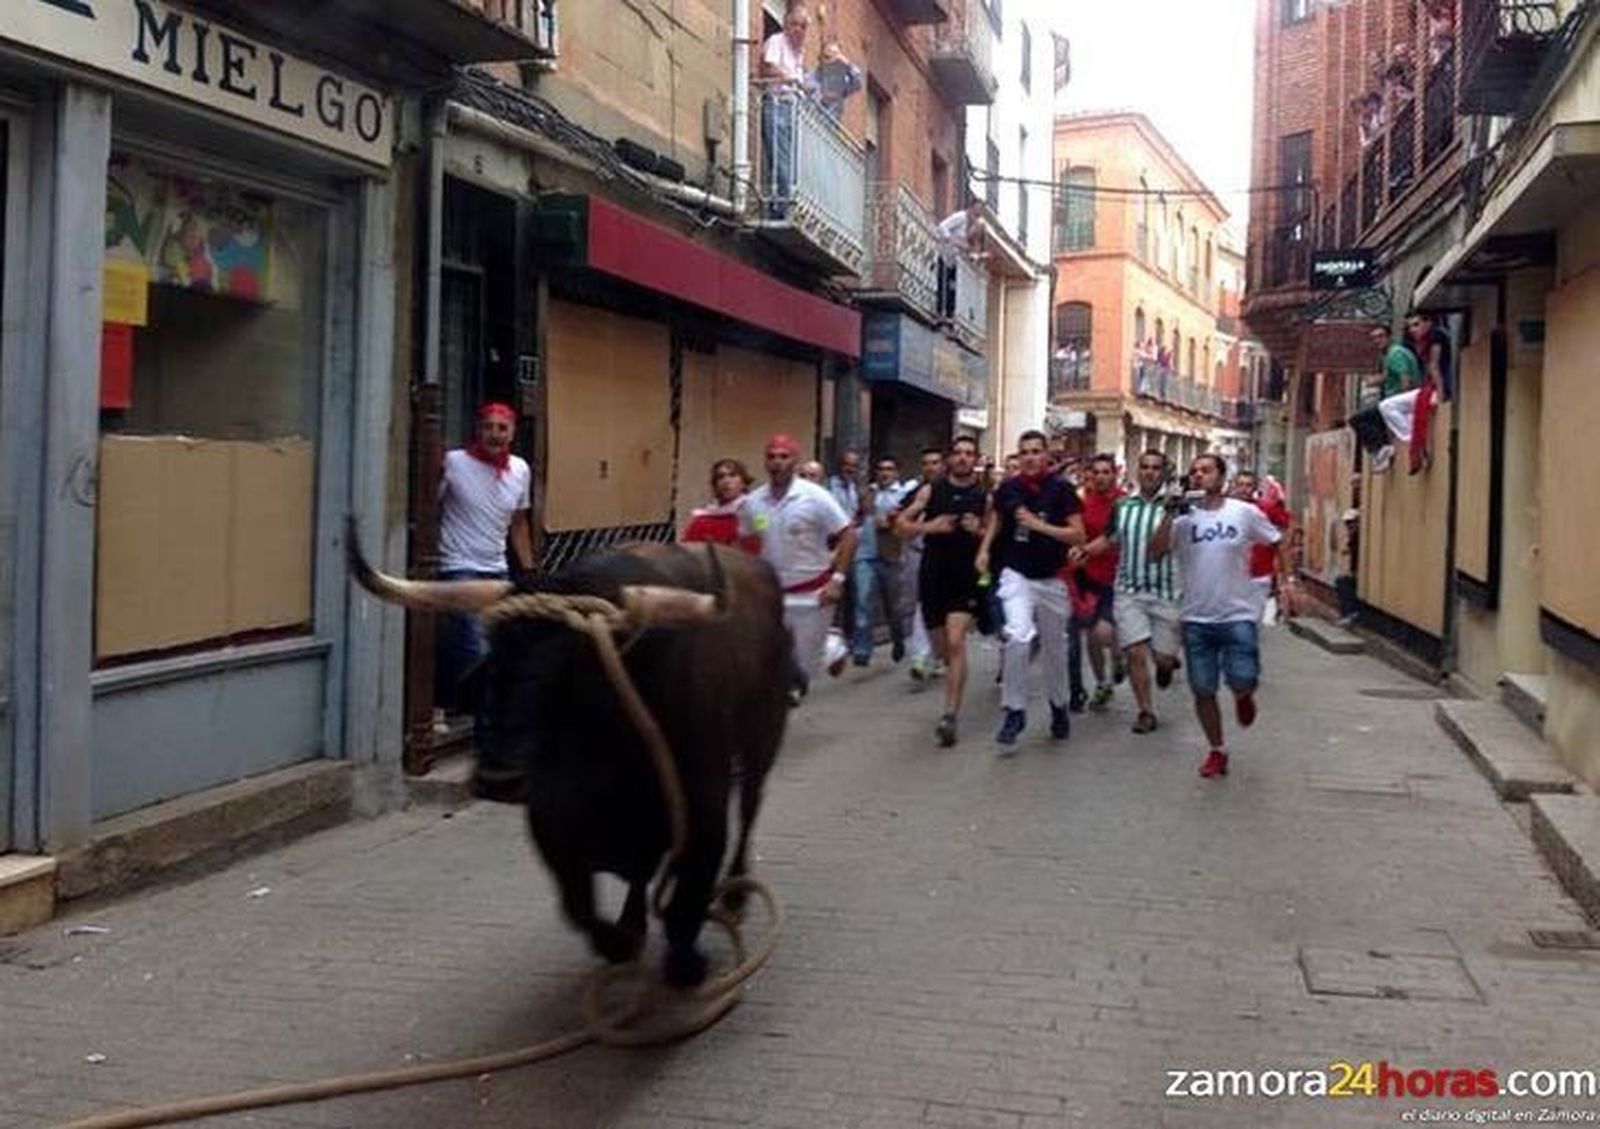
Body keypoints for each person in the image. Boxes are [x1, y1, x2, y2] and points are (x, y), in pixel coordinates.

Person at [1152, 453, 1287, 779]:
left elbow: (1277, 539)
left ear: (1222, 477)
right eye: (1194, 471)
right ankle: (1217, 749)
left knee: (1243, 677)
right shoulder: (1183, 521)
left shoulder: (1243, 512)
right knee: (1203, 689)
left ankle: (1243, 694)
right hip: (1196, 618)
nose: (1199, 475)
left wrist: (1287, 582)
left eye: (1206, 470)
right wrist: (1168, 513)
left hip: (1237, 614)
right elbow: (1155, 552)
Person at [977, 430, 1085, 751]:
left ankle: (1059, 705)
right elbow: (997, 521)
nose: (1030, 457)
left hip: (1053, 578)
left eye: (1036, 451)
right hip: (1017, 574)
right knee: (1017, 636)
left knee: (1055, 648)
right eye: (1024, 452)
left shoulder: (1062, 489)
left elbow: (1078, 535)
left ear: (1047, 455)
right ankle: (1014, 710)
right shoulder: (1009, 488)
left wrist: (1041, 527)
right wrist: (984, 549)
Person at [745, 433, 856, 704]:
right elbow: (746, 539)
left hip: (813, 594)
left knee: (806, 664)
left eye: (784, 457)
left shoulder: (815, 497)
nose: (777, 462)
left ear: (795, 462)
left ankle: (832, 646)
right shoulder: (754, 502)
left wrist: (837, 580)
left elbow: (849, 534)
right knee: (778, 658)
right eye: (771, 457)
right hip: (772, 593)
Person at [896, 435, 991, 746]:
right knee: (942, 650)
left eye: (969, 453)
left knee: (955, 641)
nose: (963, 458)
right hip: (933, 573)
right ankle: (953, 675)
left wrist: (979, 531)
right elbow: (900, 526)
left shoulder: (985, 496)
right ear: (950, 458)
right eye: (958, 453)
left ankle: (950, 715)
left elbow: (994, 534)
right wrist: (930, 527)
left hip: (965, 576)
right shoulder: (931, 490)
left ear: (976, 459)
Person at [437, 402, 535, 701]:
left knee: (496, 642)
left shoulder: (520, 469)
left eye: (502, 428)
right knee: (476, 645)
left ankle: (462, 703)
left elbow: (519, 523)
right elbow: (431, 507)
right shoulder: (454, 462)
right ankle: (484, 712)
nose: (495, 434)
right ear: (478, 430)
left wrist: (529, 571)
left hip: (497, 568)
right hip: (458, 566)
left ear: (512, 433)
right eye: (488, 427)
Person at [1083, 449, 1182, 736]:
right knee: (1135, 652)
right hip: (1129, 591)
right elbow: (1109, 539)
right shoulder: (1123, 506)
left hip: (1166, 593)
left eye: (1155, 468)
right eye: (1145, 467)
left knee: (1162, 658)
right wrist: (1084, 551)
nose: (1149, 472)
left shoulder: (1179, 508)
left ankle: (1165, 664)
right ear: (1138, 471)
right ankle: (1146, 711)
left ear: (1163, 473)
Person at [1064, 453, 1122, 712]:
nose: (1100, 477)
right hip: (1086, 576)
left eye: (1105, 472)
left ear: (1115, 474)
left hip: (1116, 577)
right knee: (1091, 636)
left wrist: (1085, 549)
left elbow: (1113, 537)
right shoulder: (1081, 502)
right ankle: (1101, 683)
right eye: (1096, 472)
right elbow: (1075, 534)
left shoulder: (1124, 503)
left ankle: (1118, 654)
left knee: (1103, 632)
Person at [851, 456, 907, 667]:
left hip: (891, 555)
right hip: (865, 554)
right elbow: (858, 516)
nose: (884, 473)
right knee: (863, 601)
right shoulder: (869, 492)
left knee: (893, 606)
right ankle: (862, 649)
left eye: (889, 469)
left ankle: (898, 637)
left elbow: (906, 520)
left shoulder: (903, 494)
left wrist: (891, 522)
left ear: (897, 473)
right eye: (881, 469)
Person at [759, 1, 811, 218]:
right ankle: (781, 210)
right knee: (781, 162)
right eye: (795, 24)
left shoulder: (799, 53)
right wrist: (791, 80)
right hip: (777, 105)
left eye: (803, 26)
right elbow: (768, 67)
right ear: (786, 23)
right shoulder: (776, 41)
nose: (799, 30)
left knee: (791, 163)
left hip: (793, 110)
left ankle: (785, 206)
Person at [1349, 324, 1422, 473]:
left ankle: (1381, 448)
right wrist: (1376, 380)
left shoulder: (1395, 354)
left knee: (1357, 419)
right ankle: (1383, 450)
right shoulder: (1390, 355)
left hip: (1398, 403)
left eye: (1381, 336)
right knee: (1372, 418)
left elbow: (1405, 377)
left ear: (1389, 337)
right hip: (1393, 402)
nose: (1377, 340)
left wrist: (1403, 402)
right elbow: (1390, 376)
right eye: (1374, 338)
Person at [898, 447, 945, 680]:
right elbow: (899, 520)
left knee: (937, 607)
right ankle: (920, 655)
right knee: (918, 604)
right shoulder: (913, 494)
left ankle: (937, 655)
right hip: (917, 553)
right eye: (926, 463)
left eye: (935, 462)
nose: (930, 467)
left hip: (945, 557)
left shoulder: (951, 491)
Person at [1231, 469, 1293, 622]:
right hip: (1231, 575)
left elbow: (1287, 527)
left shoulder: (1266, 508)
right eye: (1240, 485)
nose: (1244, 489)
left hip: (1259, 573)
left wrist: (1283, 569)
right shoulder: (1225, 509)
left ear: (1255, 488)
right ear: (1234, 486)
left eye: (1248, 485)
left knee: (1253, 620)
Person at [681, 458, 759, 552]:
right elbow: (687, 552)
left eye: (732, 475)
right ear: (715, 485)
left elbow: (767, 538)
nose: (726, 481)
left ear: (743, 483)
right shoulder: (702, 520)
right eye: (721, 477)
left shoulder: (758, 512)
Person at [935, 200, 984, 320]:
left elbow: (970, 244)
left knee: (953, 288)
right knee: (944, 286)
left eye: (978, 214)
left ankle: (949, 315)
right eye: (975, 212)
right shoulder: (960, 217)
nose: (976, 216)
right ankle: (940, 312)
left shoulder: (974, 225)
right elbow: (942, 226)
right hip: (946, 256)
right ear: (970, 209)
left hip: (956, 261)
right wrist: (952, 240)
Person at [808, 39, 861, 122]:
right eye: (828, 57)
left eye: (836, 59)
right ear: (820, 58)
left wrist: (847, 64)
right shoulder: (810, 78)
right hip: (812, 124)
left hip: (830, 127)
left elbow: (857, 81)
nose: (832, 62)